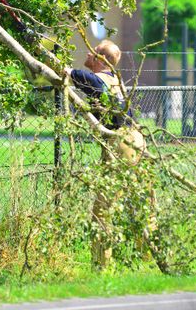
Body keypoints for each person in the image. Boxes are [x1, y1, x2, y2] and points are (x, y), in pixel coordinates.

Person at [65, 39, 147, 266]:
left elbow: (69, 73)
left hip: (120, 144)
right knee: (142, 202)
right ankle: (150, 256)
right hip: (137, 139)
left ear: (100, 59)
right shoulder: (116, 81)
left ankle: (102, 265)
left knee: (103, 210)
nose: (88, 53)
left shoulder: (96, 79)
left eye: (92, 52)